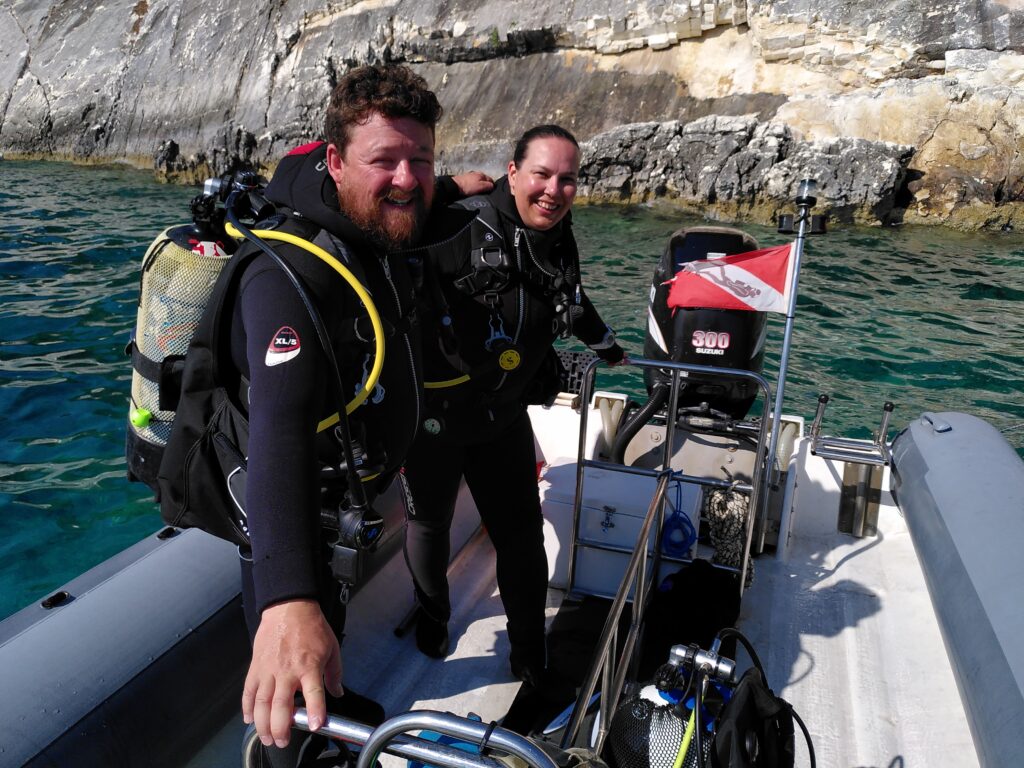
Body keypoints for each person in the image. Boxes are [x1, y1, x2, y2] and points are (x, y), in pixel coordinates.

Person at [232, 63, 486, 763]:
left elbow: (421, 204)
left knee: (333, 622)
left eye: (423, 160)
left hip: (344, 491)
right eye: (385, 161)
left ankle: (334, 706)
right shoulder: (289, 275)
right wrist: (287, 601)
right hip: (284, 512)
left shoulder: (375, 223)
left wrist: (472, 187)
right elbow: (277, 430)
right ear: (336, 162)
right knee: (293, 679)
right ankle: (297, 750)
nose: (407, 178)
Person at [401, 124, 625, 687]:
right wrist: (446, 187)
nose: (553, 190)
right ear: (513, 171)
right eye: (542, 175)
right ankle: (433, 617)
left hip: (502, 417)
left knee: (522, 539)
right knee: (429, 523)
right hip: (434, 418)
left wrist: (608, 347)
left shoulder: (560, 234)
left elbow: (569, 299)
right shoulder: (460, 223)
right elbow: (386, 222)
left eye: (567, 179)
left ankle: (529, 652)